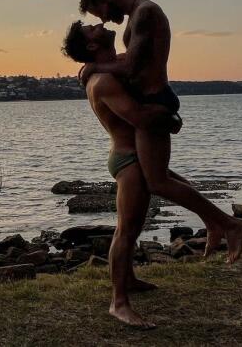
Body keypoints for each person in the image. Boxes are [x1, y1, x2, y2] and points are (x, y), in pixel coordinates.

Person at [76, 0, 242, 262]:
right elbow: (133, 60)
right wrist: (95, 67)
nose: (104, 20)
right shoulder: (136, 16)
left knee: (156, 181)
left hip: (155, 101)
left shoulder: (146, 13)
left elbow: (130, 66)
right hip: (153, 99)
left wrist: (94, 65)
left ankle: (230, 224)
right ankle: (215, 222)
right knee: (163, 176)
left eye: (100, 13)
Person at [63, 22, 181, 328]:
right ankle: (118, 303)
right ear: (91, 45)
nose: (98, 24)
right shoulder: (103, 79)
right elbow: (139, 117)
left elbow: (133, 62)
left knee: (134, 225)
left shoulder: (106, 69)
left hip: (131, 157)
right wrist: (170, 118)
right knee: (125, 231)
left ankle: (128, 279)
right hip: (128, 159)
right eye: (91, 29)